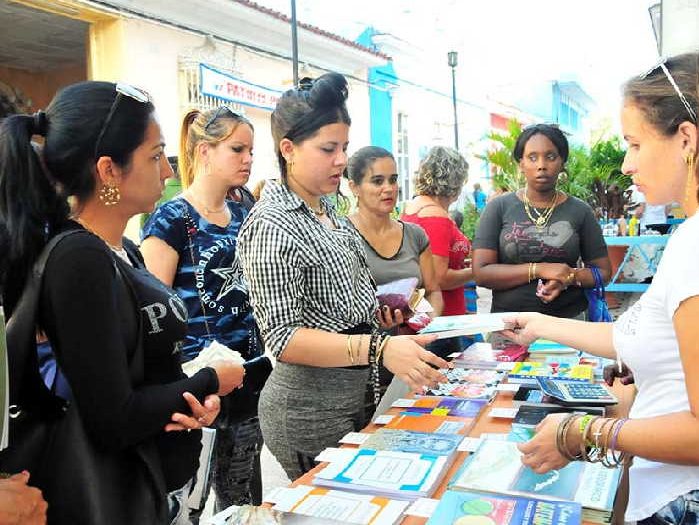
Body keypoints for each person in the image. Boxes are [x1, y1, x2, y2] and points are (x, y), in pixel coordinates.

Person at [502, 37, 699, 523]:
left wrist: (583, 432)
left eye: (635, 144)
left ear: (686, 139)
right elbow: (641, 336)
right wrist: (537, 322)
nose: (627, 164)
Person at [0, 81, 243, 523]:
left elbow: (135, 378)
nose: (167, 172)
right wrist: (212, 379)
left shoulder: (123, 251)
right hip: (106, 496)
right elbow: (113, 418)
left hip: (149, 485)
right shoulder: (78, 259)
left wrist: (188, 399)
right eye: (155, 156)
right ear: (109, 170)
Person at [237, 74, 450, 481]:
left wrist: (385, 320)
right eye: (328, 149)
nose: (341, 160)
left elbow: (344, 306)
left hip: (357, 395)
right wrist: (379, 349)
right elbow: (283, 339)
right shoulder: (272, 225)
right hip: (306, 410)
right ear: (288, 150)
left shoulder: (329, 211)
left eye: (345, 148)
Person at [140, 106, 263, 516]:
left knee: (242, 499)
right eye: (237, 149)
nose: (248, 159)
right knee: (187, 504)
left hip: (246, 379)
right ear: (204, 152)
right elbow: (153, 313)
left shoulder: (246, 214)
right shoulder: (171, 219)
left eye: (251, 150)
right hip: (195, 384)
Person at [473, 124, 611, 319]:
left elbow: (603, 272)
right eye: (532, 157)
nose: (541, 165)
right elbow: (481, 273)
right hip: (509, 325)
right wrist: (539, 269)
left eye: (551, 157)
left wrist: (568, 277)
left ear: (562, 162)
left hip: (568, 324)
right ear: (521, 164)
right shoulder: (499, 208)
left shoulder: (580, 211)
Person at [345, 146, 444, 414]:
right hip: (359, 365)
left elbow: (433, 290)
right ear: (354, 187)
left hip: (413, 352)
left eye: (393, 179)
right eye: (377, 181)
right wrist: (372, 319)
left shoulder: (414, 235)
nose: (388, 188)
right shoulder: (340, 235)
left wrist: (427, 321)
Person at [401, 146, 473, 358]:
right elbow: (439, 279)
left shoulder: (413, 208)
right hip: (442, 318)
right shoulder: (436, 216)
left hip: (425, 316)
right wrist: (477, 271)